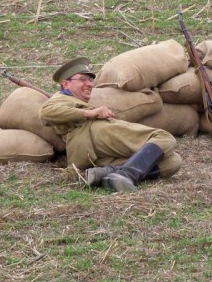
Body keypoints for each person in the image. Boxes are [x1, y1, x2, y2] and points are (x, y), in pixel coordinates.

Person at [39, 56, 181, 192]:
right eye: (82, 79)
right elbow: (46, 112)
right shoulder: (62, 97)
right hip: (94, 134)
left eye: (90, 80)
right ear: (66, 84)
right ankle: (126, 175)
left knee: (172, 162)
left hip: (86, 153)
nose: (89, 84)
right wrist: (91, 113)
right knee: (163, 137)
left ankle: (106, 173)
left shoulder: (73, 100)